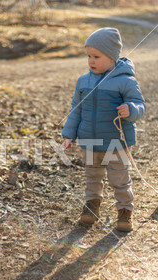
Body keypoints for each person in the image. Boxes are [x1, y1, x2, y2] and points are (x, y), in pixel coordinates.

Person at [61, 28, 146, 232]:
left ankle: (124, 211)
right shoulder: (83, 81)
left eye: (97, 56)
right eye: (89, 56)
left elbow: (140, 104)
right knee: (92, 176)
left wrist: (131, 109)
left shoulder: (125, 81)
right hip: (90, 141)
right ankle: (91, 206)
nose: (91, 61)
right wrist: (68, 134)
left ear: (112, 58)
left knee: (119, 179)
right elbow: (76, 109)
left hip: (116, 142)